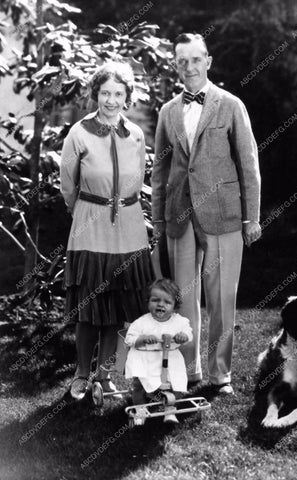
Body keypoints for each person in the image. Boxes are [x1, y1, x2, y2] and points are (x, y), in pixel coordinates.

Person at [151, 33, 261, 395]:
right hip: (179, 216)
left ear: (208, 62)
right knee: (185, 297)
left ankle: (220, 374)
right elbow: (160, 172)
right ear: (175, 66)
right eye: (182, 61)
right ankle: (190, 369)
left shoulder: (230, 105)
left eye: (196, 59)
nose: (189, 67)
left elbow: (249, 165)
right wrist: (159, 222)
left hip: (223, 214)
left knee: (221, 299)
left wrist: (252, 218)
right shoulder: (167, 112)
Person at [60, 61, 154, 400]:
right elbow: (67, 187)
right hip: (90, 226)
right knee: (89, 304)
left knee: (118, 304)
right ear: (94, 94)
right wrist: (87, 210)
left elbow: (139, 182)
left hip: (129, 227)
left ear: (127, 97)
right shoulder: (79, 133)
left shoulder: (137, 135)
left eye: (118, 94)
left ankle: (106, 374)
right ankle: (82, 374)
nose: (111, 100)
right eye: (105, 93)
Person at [124, 278, 193, 423]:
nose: (161, 304)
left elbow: (189, 333)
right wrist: (143, 339)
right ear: (148, 302)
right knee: (139, 385)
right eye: (156, 300)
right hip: (145, 356)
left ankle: (170, 410)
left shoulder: (179, 321)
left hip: (170, 357)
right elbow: (129, 339)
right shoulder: (141, 322)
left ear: (175, 306)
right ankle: (140, 409)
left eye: (167, 302)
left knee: (177, 383)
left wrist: (183, 336)